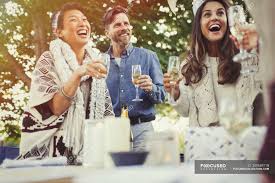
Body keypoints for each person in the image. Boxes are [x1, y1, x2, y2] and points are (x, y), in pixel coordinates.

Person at [18, 2, 114, 162]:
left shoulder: (95, 63)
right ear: (59, 32)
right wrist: (78, 74)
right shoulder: (48, 60)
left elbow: (105, 116)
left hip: (87, 154)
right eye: (74, 20)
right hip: (51, 154)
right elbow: (55, 108)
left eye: (84, 19)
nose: (83, 23)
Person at [164, 0, 263, 127]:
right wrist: (176, 92)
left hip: (245, 137)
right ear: (199, 24)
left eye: (220, 13)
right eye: (207, 14)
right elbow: (185, 111)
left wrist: (260, 43)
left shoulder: (249, 56)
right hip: (207, 142)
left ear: (229, 20)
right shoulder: (189, 65)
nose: (214, 17)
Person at [102, 6, 165, 151]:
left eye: (126, 23)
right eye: (117, 25)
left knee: (145, 173)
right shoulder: (100, 61)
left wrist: (152, 88)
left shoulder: (148, 56)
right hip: (113, 132)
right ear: (107, 33)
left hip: (143, 131)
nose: (124, 28)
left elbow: (161, 96)